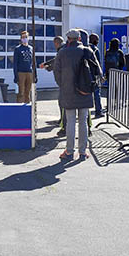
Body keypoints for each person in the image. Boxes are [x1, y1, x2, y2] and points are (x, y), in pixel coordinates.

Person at [54, 29, 101, 161]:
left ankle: (69, 151)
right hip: (85, 91)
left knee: (70, 122)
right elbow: (97, 70)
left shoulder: (62, 52)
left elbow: (56, 72)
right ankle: (82, 151)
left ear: (68, 38)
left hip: (68, 92)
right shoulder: (87, 51)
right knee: (83, 122)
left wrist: (62, 85)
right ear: (79, 38)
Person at [40, 36, 65, 127]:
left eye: (54, 43)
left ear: (56, 43)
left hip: (64, 79)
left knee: (62, 101)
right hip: (63, 79)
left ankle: (63, 121)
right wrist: (46, 64)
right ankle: (63, 119)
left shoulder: (62, 49)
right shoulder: (63, 49)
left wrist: (47, 67)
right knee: (62, 101)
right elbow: (56, 60)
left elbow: (56, 62)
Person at [13, 30, 35, 103]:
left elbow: (33, 62)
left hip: (29, 72)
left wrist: (35, 75)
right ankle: (19, 108)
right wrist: (16, 76)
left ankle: (27, 107)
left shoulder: (31, 48)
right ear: (20, 39)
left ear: (28, 38)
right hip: (21, 72)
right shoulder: (18, 49)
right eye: (22, 37)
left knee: (28, 93)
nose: (24, 39)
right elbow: (15, 63)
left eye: (26, 37)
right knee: (21, 92)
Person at [89, 34, 104, 118]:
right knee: (97, 93)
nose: (98, 41)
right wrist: (100, 75)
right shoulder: (95, 50)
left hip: (85, 75)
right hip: (94, 75)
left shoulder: (84, 48)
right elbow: (97, 63)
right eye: (97, 40)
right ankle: (98, 111)